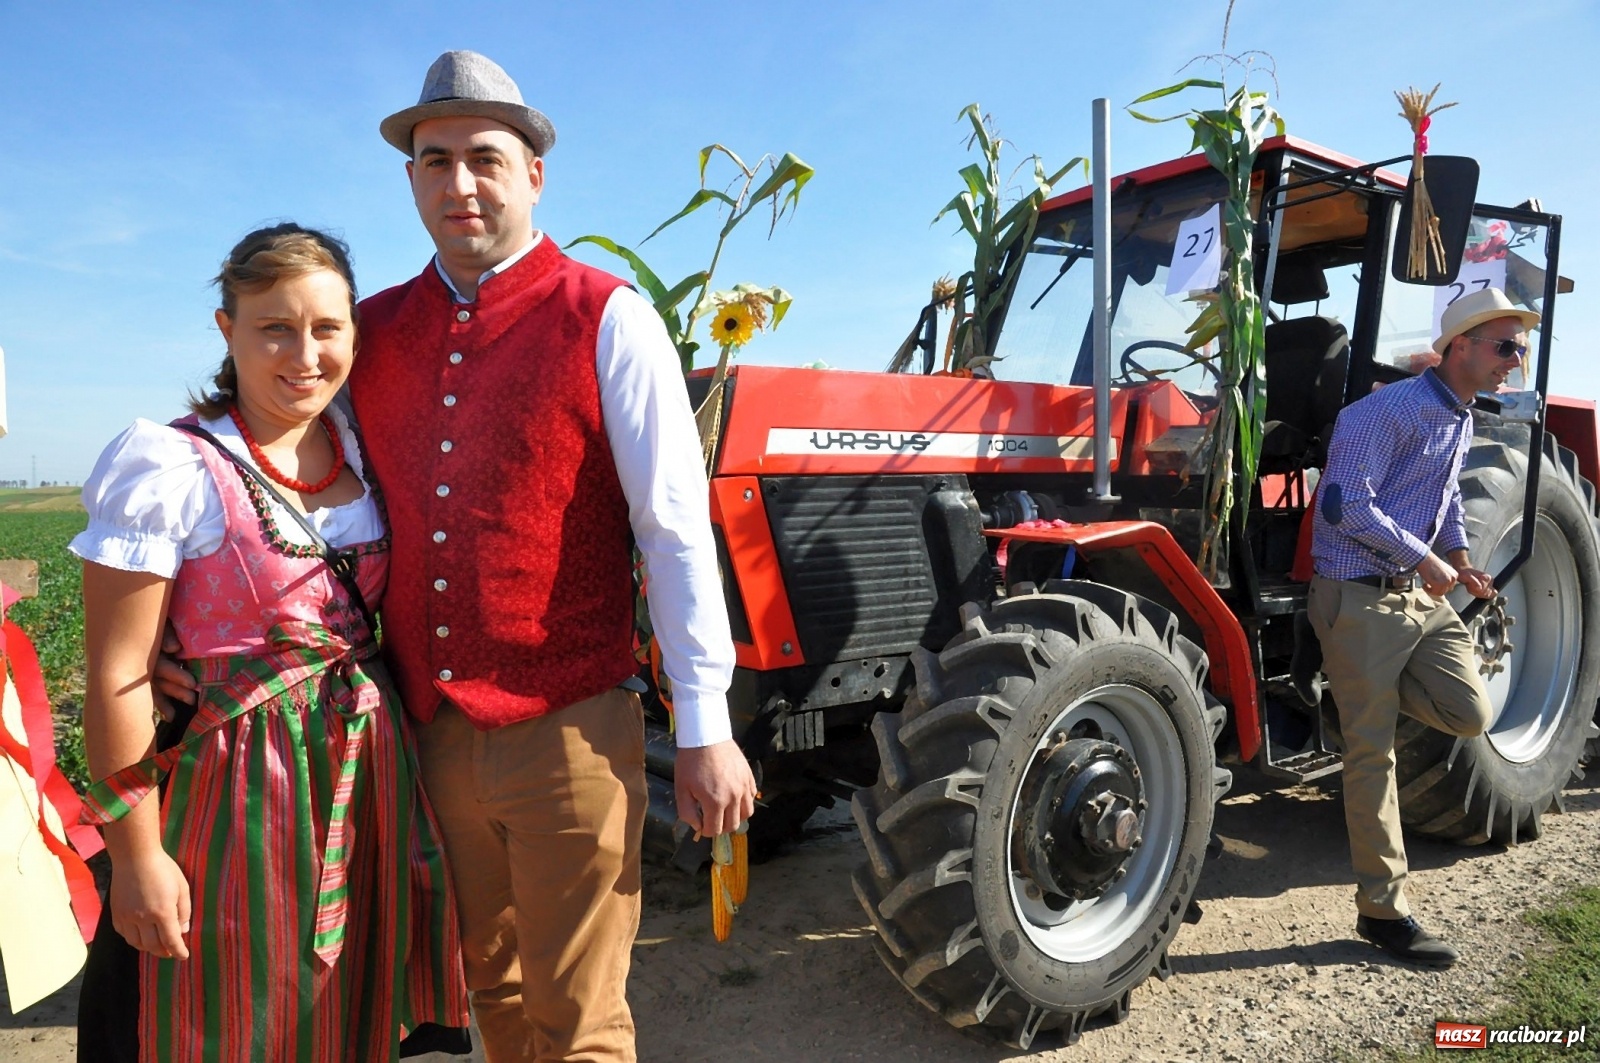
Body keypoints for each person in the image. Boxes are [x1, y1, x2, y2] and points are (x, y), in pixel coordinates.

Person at [73, 224, 470, 1061]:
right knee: (225, 1013)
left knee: (343, 1010)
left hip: (367, 778)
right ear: (228, 329)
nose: (305, 353)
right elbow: (118, 675)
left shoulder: (364, 442)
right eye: (275, 328)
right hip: (233, 789)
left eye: (327, 328)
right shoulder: (171, 467)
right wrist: (138, 858)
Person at [1306, 285, 1537, 968]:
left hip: (1419, 596)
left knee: (1470, 711)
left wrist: (1459, 559)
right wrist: (1425, 557)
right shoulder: (1386, 410)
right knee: (1373, 754)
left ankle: (1351, 687)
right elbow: (1344, 507)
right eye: (1504, 347)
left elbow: (1445, 496)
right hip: (1362, 594)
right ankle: (1384, 911)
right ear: (1459, 345)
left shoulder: (1460, 414)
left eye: (1519, 350)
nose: (1513, 361)